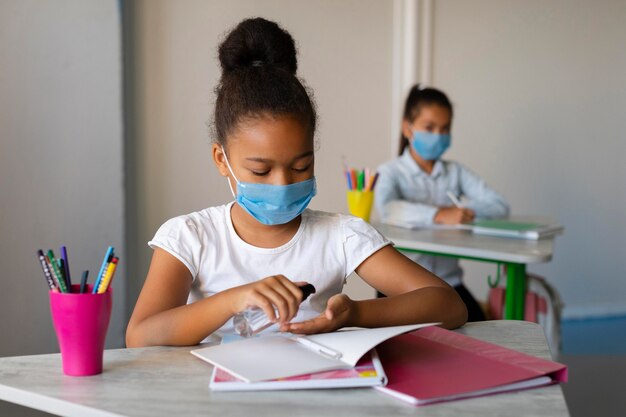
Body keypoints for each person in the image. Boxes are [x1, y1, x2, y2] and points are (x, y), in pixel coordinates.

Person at [126, 19, 466, 347]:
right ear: (221, 160)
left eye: (302, 166)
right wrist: (234, 299)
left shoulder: (341, 235)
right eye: (261, 171)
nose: (283, 183)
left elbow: (448, 305)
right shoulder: (190, 237)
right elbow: (140, 335)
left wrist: (355, 313)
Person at [375, 85, 510, 322]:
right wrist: (438, 215)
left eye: (445, 128)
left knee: (486, 336)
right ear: (408, 128)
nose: (438, 135)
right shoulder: (390, 172)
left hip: (450, 283)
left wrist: (466, 212)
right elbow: (388, 210)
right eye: (429, 127)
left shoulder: (455, 172)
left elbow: (498, 205)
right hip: (399, 285)